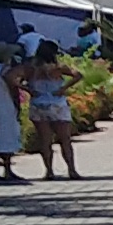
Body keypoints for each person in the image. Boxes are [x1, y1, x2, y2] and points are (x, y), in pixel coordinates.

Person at [22, 46, 79, 178]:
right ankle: (71, 170)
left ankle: (49, 171)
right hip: (57, 103)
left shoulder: (31, 69)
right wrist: (63, 88)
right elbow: (78, 75)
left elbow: (13, 77)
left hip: (38, 104)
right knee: (65, 139)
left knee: (45, 140)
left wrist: (27, 89)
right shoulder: (58, 68)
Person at [0, 43, 21, 182]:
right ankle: (7, 170)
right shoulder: (5, 70)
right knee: (7, 135)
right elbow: (13, 88)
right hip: (4, 104)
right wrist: (17, 102)